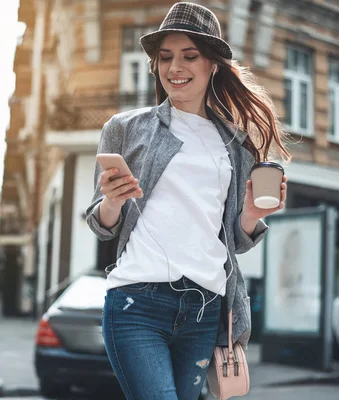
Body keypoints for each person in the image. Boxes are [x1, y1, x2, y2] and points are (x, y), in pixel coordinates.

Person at [85, 3, 291, 399]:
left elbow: (236, 240)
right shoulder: (127, 128)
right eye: (165, 57)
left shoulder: (235, 144)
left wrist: (251, 214)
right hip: (136, 304)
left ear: (212, 63)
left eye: (188, 56)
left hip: (205, 309)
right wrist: (112, 201)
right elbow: (100, 223)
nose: (174, 67)